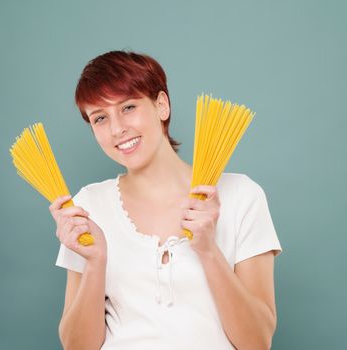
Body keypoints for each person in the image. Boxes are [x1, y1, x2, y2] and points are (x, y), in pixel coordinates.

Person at [50, 50, 282, 350]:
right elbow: (76, 347)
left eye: (129, 107)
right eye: (100, 118)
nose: (117, 129)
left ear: (162, 105)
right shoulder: (89, 205)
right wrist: (95, 263)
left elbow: (258, 342)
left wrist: (208, 250)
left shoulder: (241, 196)